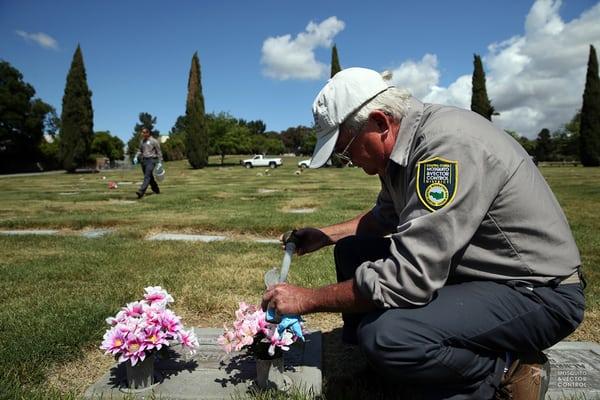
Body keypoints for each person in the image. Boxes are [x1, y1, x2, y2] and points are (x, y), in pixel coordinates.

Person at [261, 68, 585, 400]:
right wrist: (326, 235)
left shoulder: (443, 151)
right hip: (481, 274)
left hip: (537, 292)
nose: (348, 161)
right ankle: (383, 370)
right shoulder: (400, 151)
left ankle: (505, 373)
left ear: (380, 123)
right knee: (351, 251)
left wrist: (308, 299)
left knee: (388, 336)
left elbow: (408, 279)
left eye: (346, 151)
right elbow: (383, 217)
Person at [134, 128, 163, 199]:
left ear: (148, 133)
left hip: (151, 160)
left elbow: (159, 152)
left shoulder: (154, 141)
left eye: (143, 133)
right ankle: (156, 190)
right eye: (142, 132)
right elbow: (140, 150)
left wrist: (160, 162)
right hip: (143, 161)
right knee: (150, 177)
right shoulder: (142, 141)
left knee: (147, 176)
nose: (142, 134)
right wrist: (136, 156)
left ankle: (141, 191)